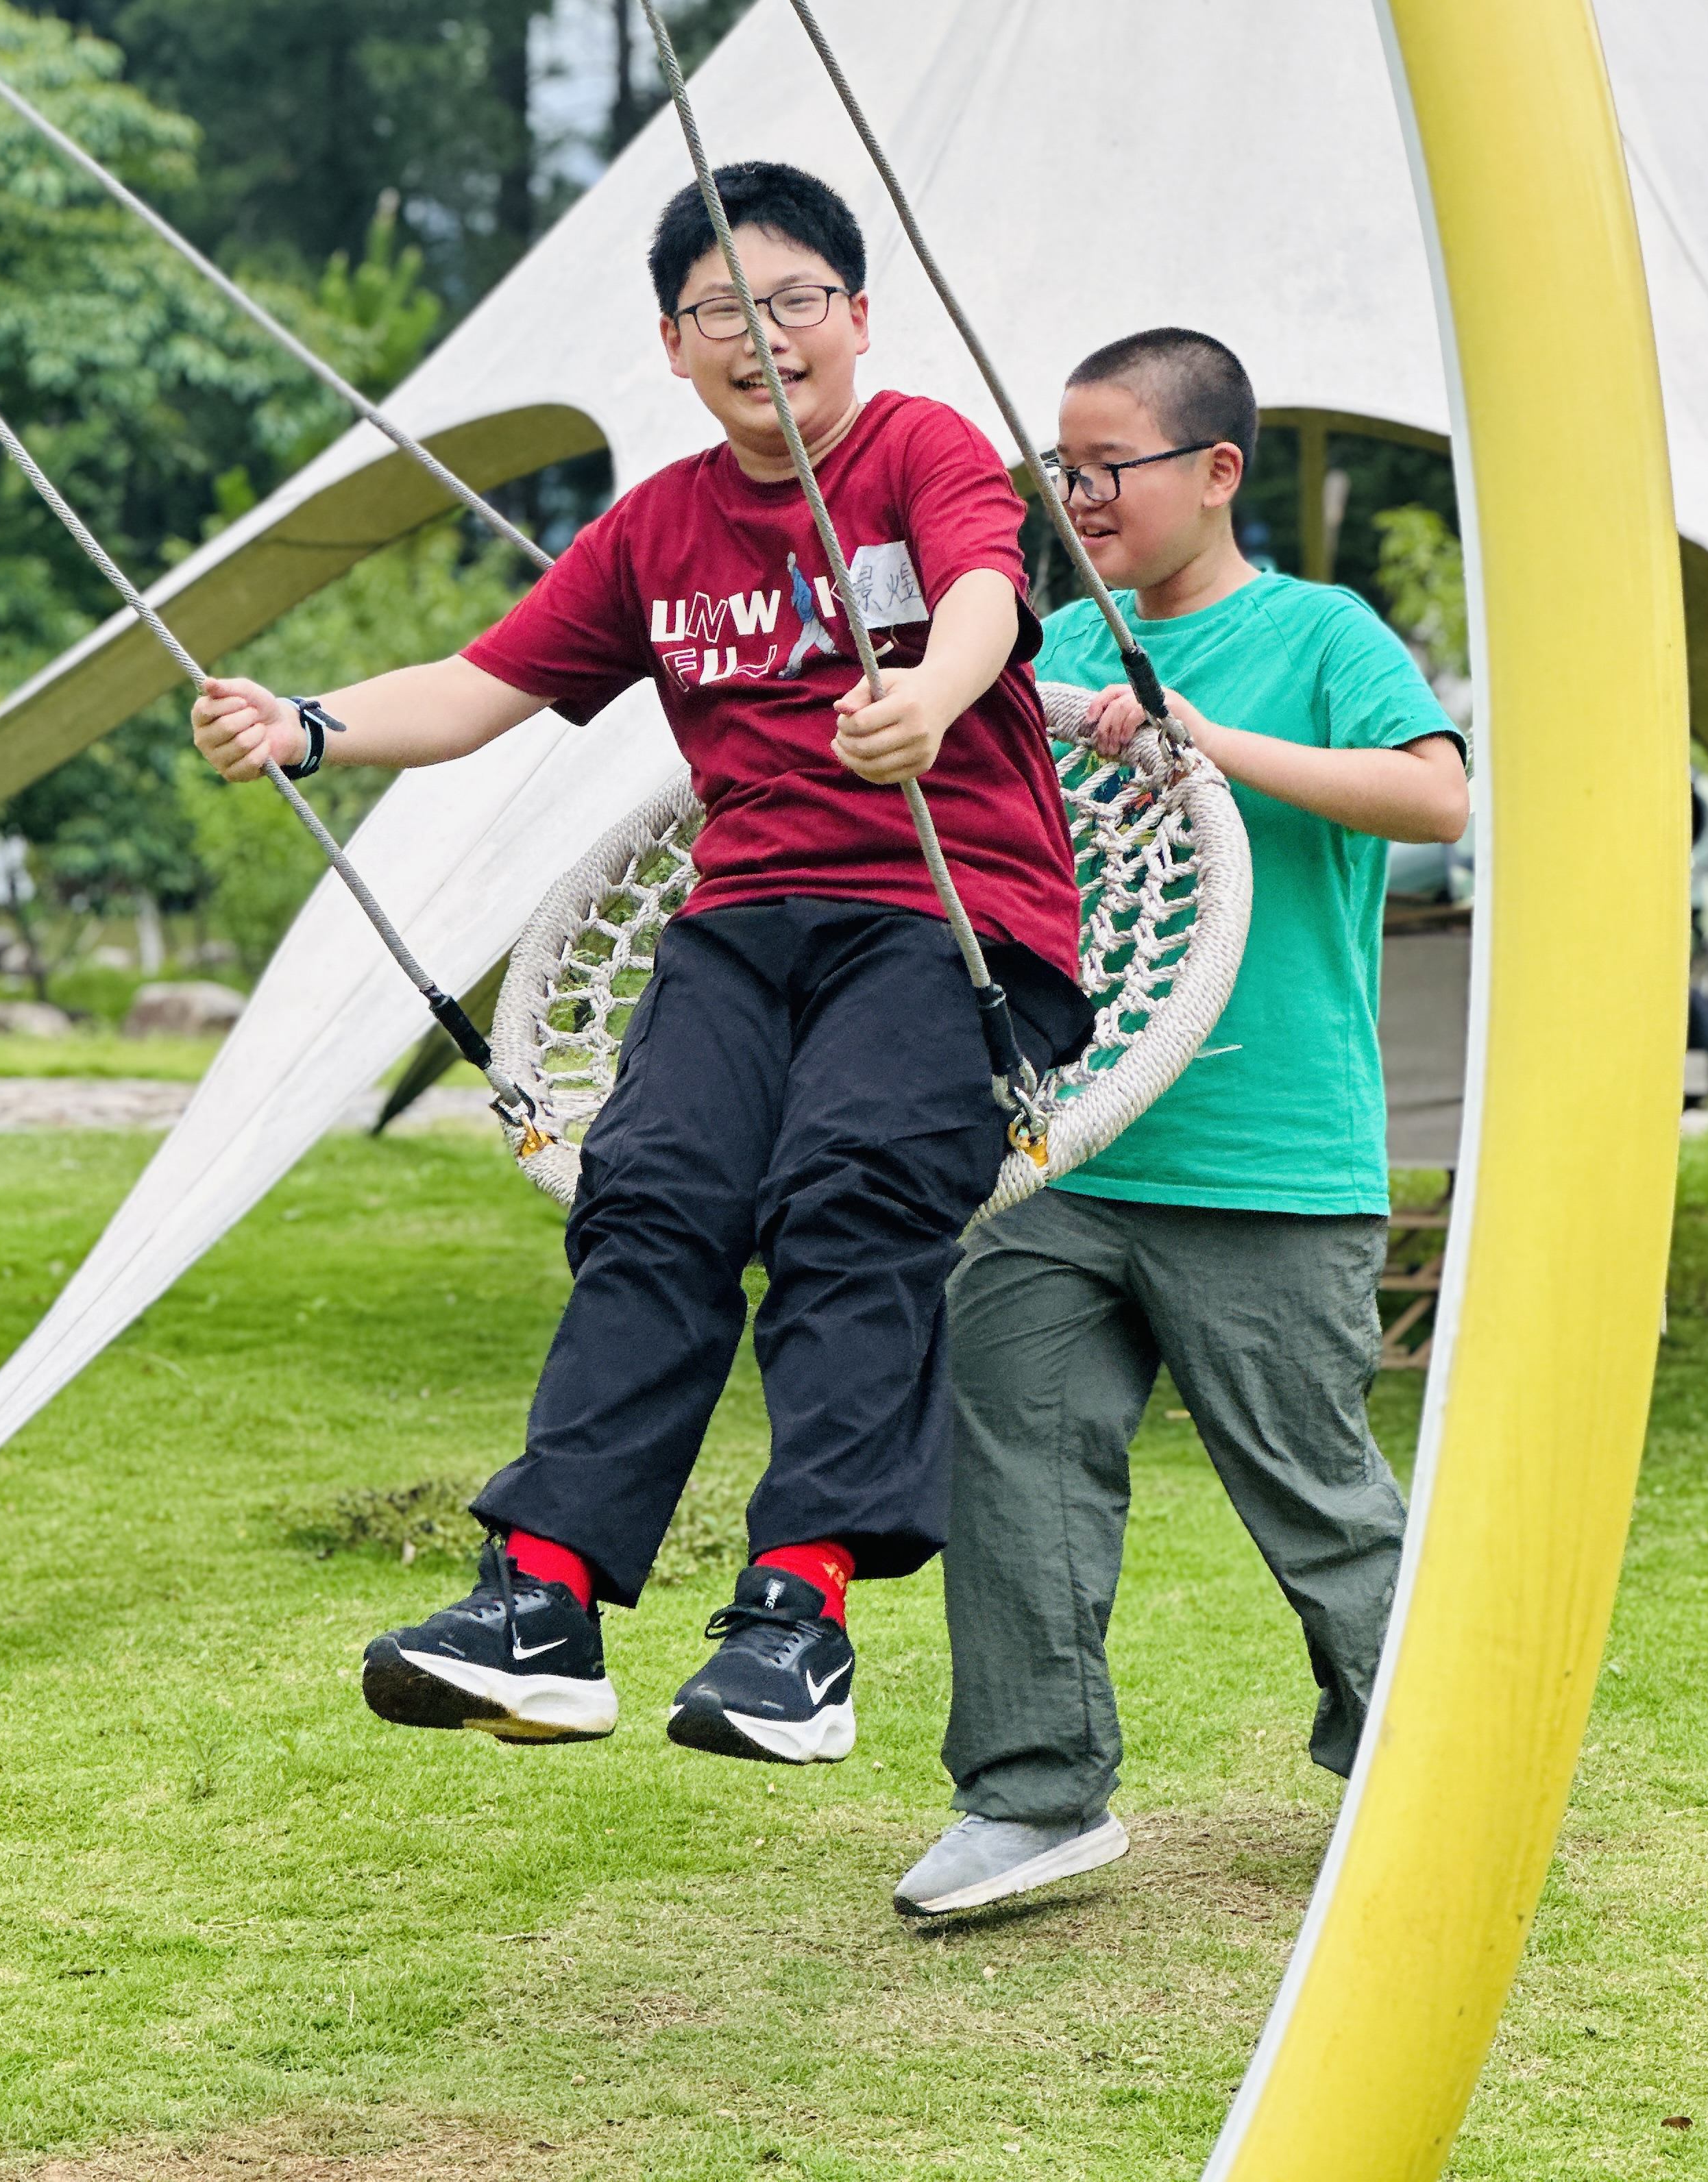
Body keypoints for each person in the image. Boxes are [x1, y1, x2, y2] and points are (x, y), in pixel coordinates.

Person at [191, 162, 1090, 1768]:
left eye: (794, 300)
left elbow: (982, 588)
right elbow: (476, 690)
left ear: (858, 316)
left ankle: (796, 1621)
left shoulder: (918, 451)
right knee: (654, 1189)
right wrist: (309, 725)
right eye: (716, 315)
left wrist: (936, 699)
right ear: (672, 348)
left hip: (951, 926)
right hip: (743, 928)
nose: (762, 337)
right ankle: (542, 1606)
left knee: (851, 1187)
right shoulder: (659, 528)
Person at [894, 328, 1468, 1915]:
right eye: (1060, 472)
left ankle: (1419, 1766)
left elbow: (1434, 797)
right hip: (1068, 1151)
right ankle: (1032, 1796)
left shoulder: (1317, 632)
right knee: (1009, 1460)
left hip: (1273, 1162)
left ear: (1218, 473)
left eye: (1110, 469)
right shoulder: (1061, 640)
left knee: (1313, 1490)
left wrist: (1201, 742)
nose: (1078, 497)